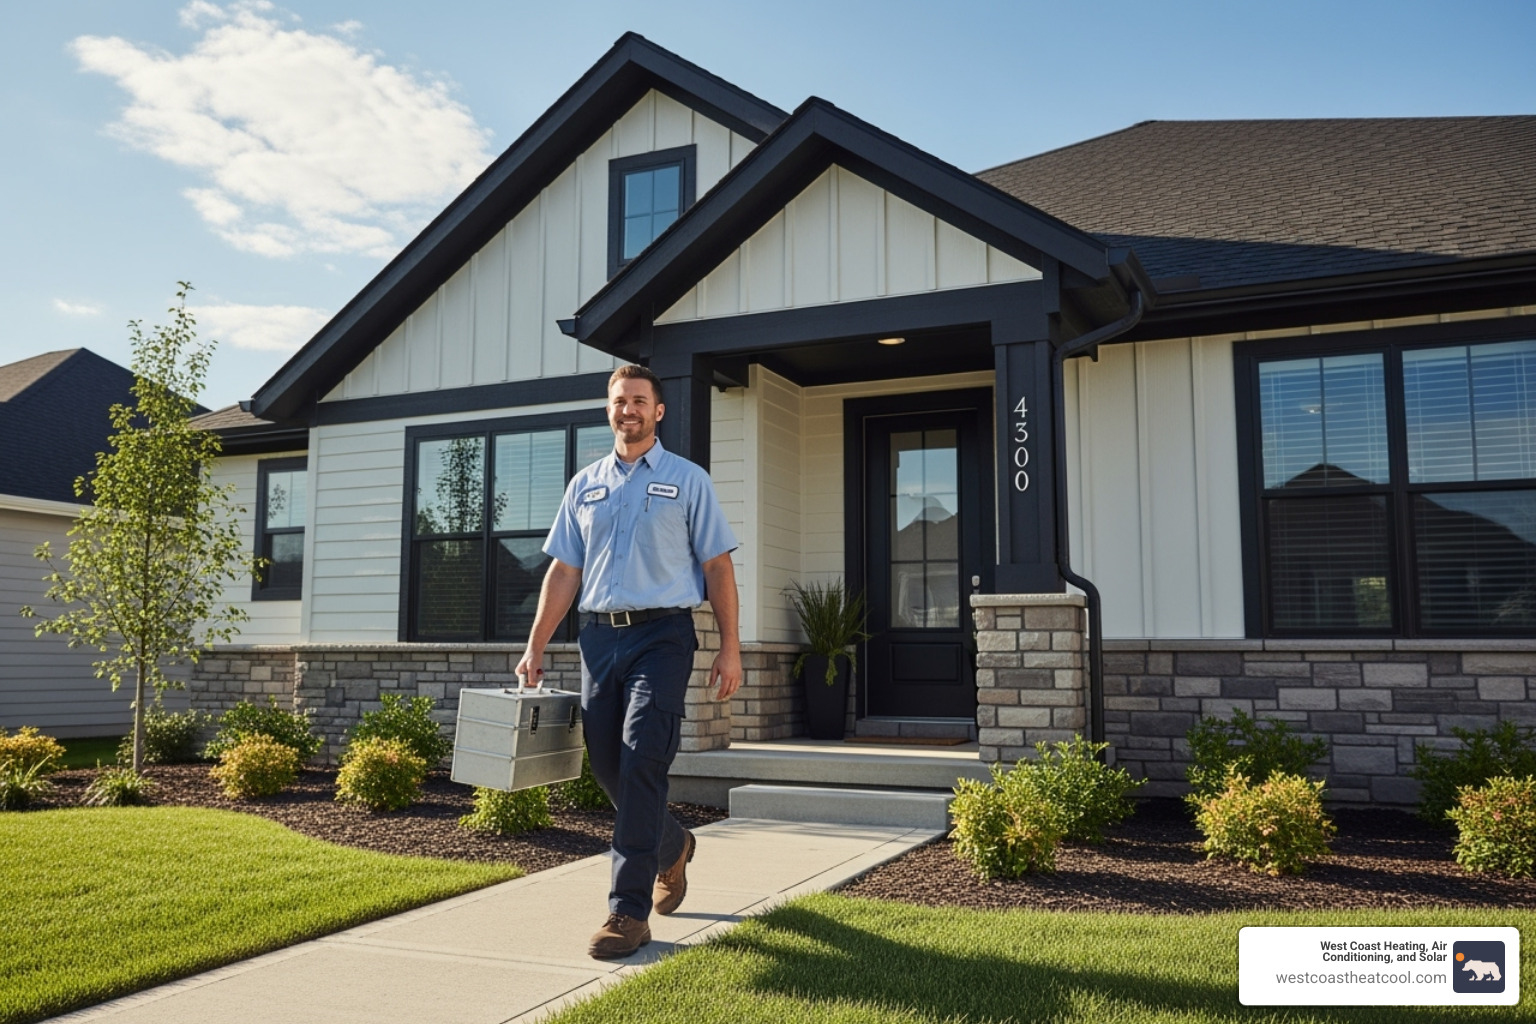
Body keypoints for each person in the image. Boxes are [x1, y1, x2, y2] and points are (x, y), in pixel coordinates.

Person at [515, 364, 742, 960]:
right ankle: (672, 846)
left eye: (640, 401)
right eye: (620, 401)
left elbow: (718, 566)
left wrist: (731, 646)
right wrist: (536, 644)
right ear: (608, 409)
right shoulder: (584, 485)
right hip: (598, 639)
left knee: (643, 757)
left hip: (664, 636)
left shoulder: (687, 480)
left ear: (658, 411)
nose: (629, 410)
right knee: (610, 768)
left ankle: (627, 912)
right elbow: (565, 570)